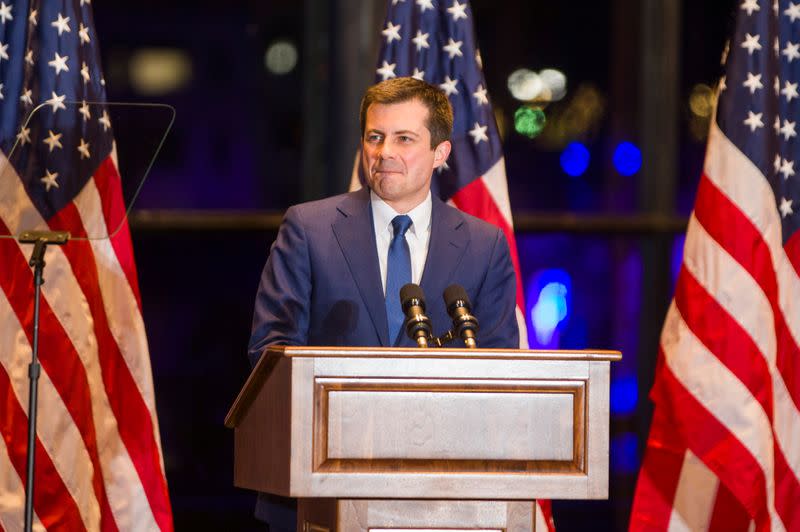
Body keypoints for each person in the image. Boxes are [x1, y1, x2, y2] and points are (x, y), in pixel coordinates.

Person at [247, 76, 519, 530]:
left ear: (441, 153)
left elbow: (500, 369)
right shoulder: (309, 229)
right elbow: (270, 353)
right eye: (374, 137)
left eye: (403, 138)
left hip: (442, 499)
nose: (383, 151)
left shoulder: (483, 245)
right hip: (319, 494)